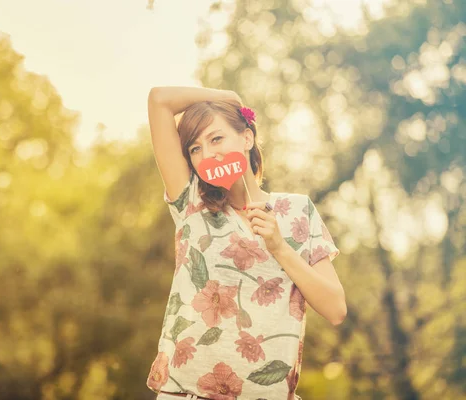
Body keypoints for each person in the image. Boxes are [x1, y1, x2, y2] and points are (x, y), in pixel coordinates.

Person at [145, 87, 346, 400]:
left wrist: (279, 247)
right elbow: (159, 100)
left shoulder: (298, 211)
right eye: (195, 149)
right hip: (185, 394)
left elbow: (336, 309)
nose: (207, 154)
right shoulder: (190, 204)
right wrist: (229, 96)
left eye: (216, 139)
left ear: (247, 138)